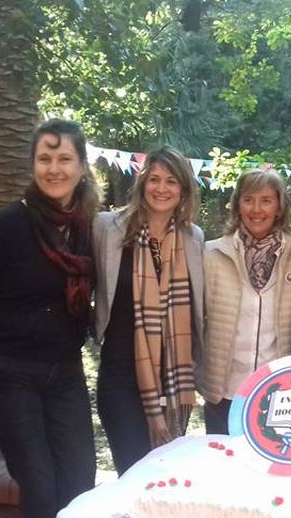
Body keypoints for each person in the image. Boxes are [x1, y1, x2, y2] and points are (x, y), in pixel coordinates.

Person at [0, 119, 98, 518]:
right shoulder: (8, 225)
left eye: (64, 159)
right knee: (39, 485)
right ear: (32, 165)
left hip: (64, 371)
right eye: (45, 158)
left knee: (79, 476)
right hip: (8, 373)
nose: (54, 168)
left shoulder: (86, 228)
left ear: (82, 166)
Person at [93, 145, 204, 473]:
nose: (161, 188)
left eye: (171, 181)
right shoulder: (107, 228)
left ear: (183, 189)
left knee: (164, 475)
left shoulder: (193, 238)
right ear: (142, 183)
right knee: (133, 473)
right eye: (154, 179)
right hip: (120, 373)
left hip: (174, 378)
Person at [201, 169, 291, 433]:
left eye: (266, 200)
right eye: (248, 199)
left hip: (280, 393)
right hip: (223, 392)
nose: (256, 209)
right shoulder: (211, 254)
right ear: (238, 204)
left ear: (279, 208)